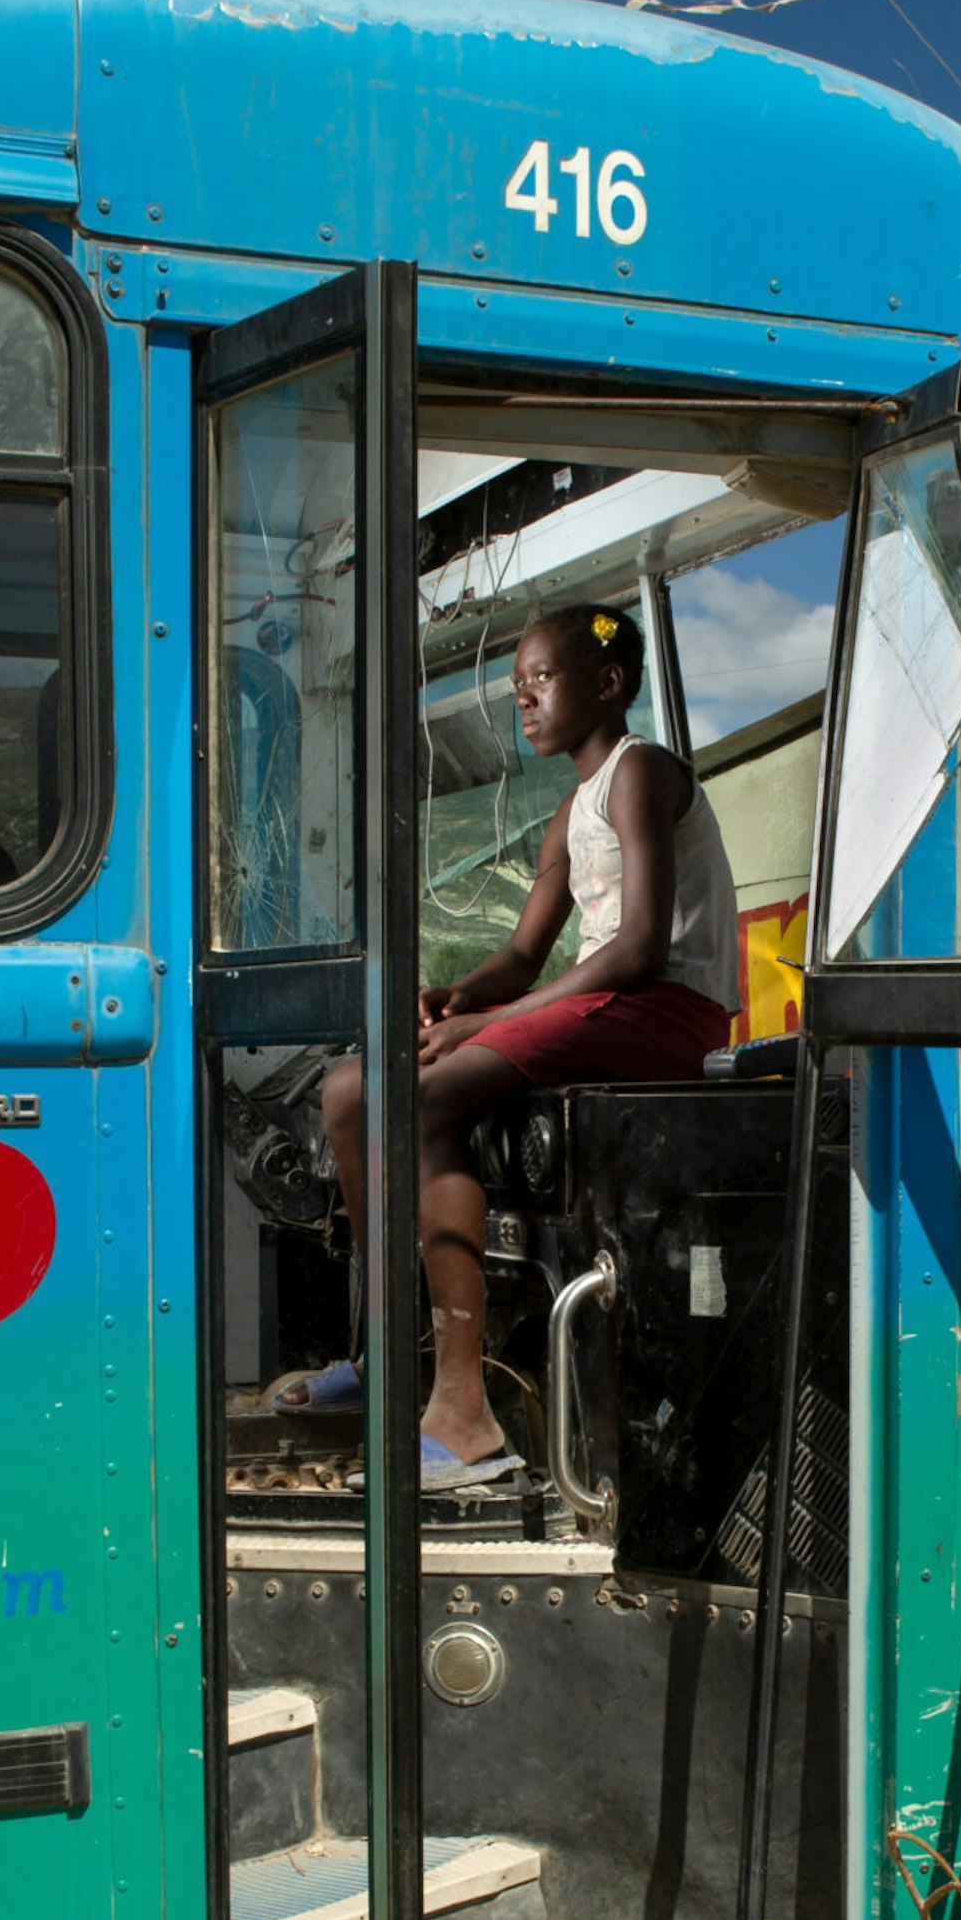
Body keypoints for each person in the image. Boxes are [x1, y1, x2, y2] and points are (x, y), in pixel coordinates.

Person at [290, 603, 740, 1489]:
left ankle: (462, 1412)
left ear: (606, 684)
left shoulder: (641, 772)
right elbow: (522, 955)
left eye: (540, 681)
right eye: (518, 688)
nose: (523, 703)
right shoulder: (574, 808)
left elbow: (642, 944)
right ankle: (390, 1360)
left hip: (666, 1011)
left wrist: (486, 1025)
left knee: (419, 1101)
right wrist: (460, 994)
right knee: (347, 1094)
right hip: (609, 1003)